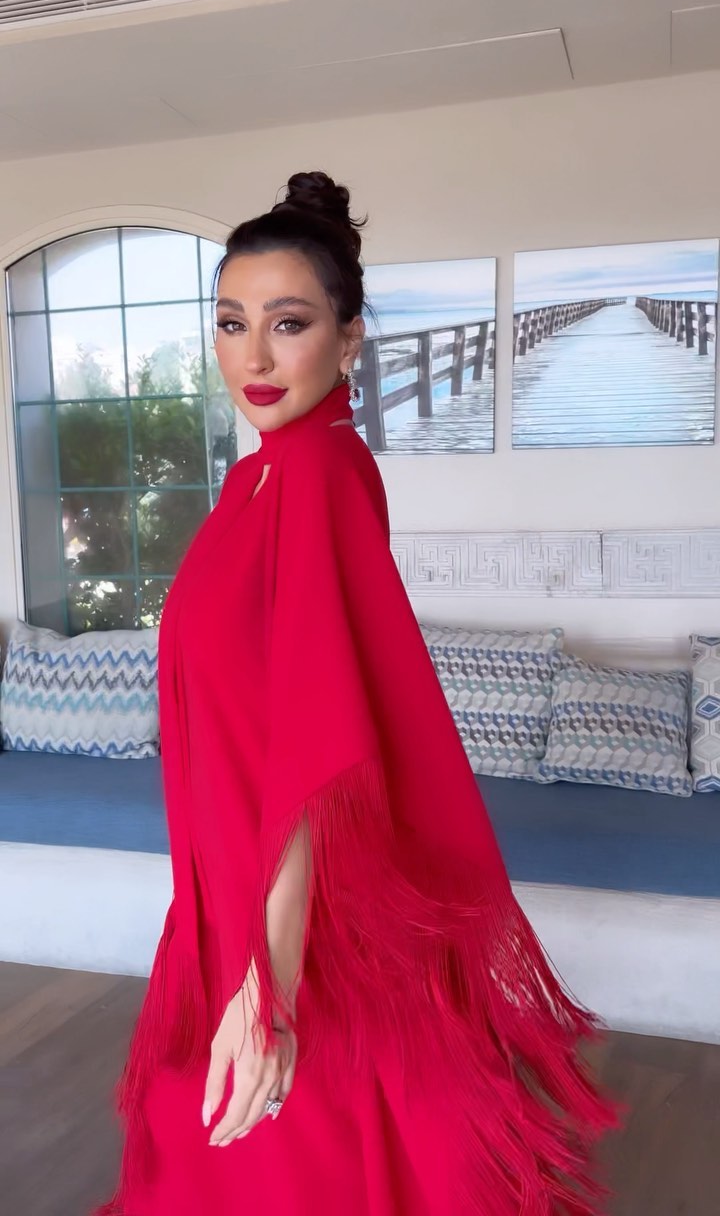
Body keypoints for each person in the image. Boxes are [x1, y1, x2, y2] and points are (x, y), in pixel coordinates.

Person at [96, 172, 614, 1216]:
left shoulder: (320, 474)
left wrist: (270, 981)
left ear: (349, 341)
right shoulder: (260, 478)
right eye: (232, 323)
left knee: (303, 1149)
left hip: (283, 899)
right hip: (230, 872)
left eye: (287, 324)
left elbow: (315, 738)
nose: (253, 357)